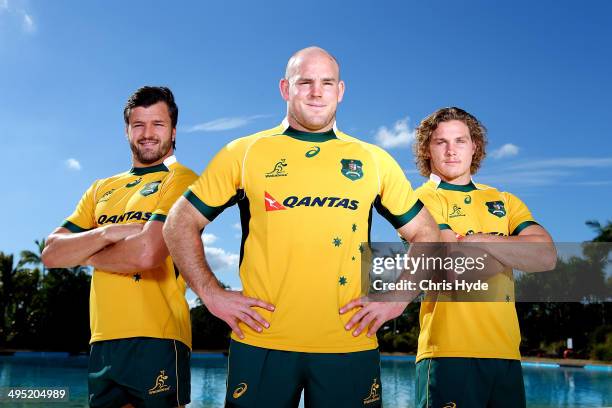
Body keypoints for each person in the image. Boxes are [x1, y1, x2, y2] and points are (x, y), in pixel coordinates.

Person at [163, 46, 439, 407]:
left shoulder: (373, 160)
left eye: (326, 82)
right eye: (304, 81)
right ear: (284, 88)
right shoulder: (244, 152)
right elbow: (178, 224)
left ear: (340, 91)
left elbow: (427, 235)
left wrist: (396, 300)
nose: (316, 91)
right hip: (262, 343)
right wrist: (211, 294)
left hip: (349, 343)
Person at [42, 86, 197, 408]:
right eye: (138, 125)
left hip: (157, 336)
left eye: (158, 124)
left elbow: (147, 253)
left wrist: (82, 252)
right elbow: (52, 254)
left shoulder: (181, 180)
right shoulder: (101, 188)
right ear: (127, 130)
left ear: (173, 130)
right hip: (102, 338)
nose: (147, 133)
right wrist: (108, 233)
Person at [412, 107, 556, 408]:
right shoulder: (423, 199)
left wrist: (478, 241)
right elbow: (453, 272)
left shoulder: (504, 200)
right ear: (427, 149)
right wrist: (512, 248)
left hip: (505, 354)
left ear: (474, 145)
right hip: (448, 353)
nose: (452, 151)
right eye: (441, 142)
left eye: (460, 140)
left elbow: (545, 256)